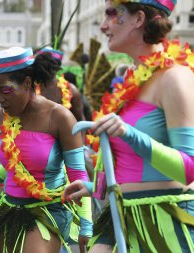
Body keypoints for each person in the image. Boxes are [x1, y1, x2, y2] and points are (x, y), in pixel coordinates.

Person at [63, 1, 194, 252]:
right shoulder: (130, 81)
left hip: (165, 219)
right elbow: (132, 164)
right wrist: (95, 187)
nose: (103, 25)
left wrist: (129, 133)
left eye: (112, 14)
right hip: (122, 214)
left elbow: (188, 169)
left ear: (138, 19)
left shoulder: (175, 77)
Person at [0, 47, 92, 253]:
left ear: (27, 83)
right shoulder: (5, 115)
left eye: (6, 90)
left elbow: (78, 176)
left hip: (46, 213)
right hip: (9, 210)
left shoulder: (60, 117)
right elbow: (13, 166)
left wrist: (87, 225)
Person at [35, 47, 85, 122]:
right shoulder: (32, 89)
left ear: (56, 68)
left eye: (48, 66)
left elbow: (80, 121)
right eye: (41, 65)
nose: (44, 69)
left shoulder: (71, 90)